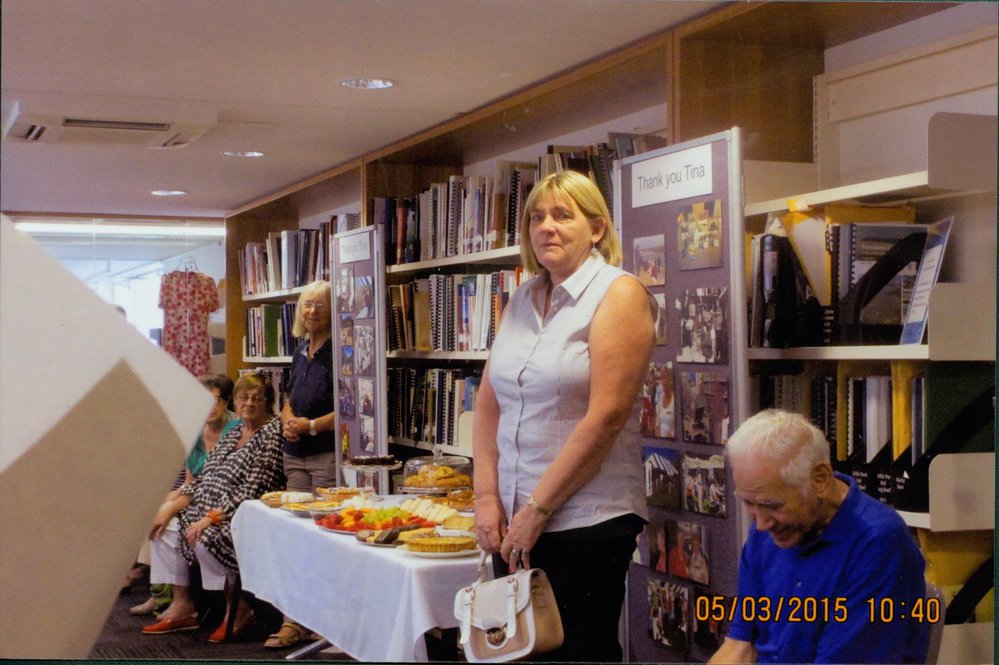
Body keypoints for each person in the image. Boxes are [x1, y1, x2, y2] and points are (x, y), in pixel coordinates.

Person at [473, 170, 655, 662]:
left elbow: (606, 418)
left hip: (585, 519)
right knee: (517, 650)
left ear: (596, 228)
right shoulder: (522, 298)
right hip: (513, 518)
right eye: (536, 217)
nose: (546, 227)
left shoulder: (618, 294)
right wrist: (486, 497)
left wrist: (538, 510)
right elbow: (489, 401)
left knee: (576, 650)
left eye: (562, 215)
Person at [710, 409, 929, 664]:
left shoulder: (877, 543)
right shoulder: (769, 530)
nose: (760, 524)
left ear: (820, 479)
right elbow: (739, 647)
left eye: (773, 505)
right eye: (749, 503)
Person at [142, 372, 285, 642]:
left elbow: (253, 490)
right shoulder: (235, 432)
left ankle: (238, 606)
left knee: (204, 537)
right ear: (235, 401)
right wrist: (170, 506)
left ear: (269, 401)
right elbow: (203, 477)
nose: (250, 402)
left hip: (241, 514)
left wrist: (211, 517)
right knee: (166, 528)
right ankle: (183, 605)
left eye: (258, 397)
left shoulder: (271, 432)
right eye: (244, 397)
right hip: (207, 507)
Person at [131, 374, 238, 616]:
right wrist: (166, 506)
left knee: (167, 516)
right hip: (196, 500)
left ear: (227, 401)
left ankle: (228, 606)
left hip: (224, 504)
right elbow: (191, 484)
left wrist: (170, 506)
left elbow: (221, 486)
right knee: (161, 520)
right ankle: (177, 600)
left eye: (215, 400)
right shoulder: (195, 433)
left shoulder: (236, 430)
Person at [269, 280, 336, 649]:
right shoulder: (299, 350)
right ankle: (292, 620)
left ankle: (323, 621)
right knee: (296, 537)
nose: (312, 312)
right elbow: (288, 399)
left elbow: (352, 408)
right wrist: (288, 420)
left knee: (321, 538)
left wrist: (310, 426)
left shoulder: (340, 351)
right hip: (295, 457)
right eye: (307, 305)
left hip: (326, 455)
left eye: (320, 305)